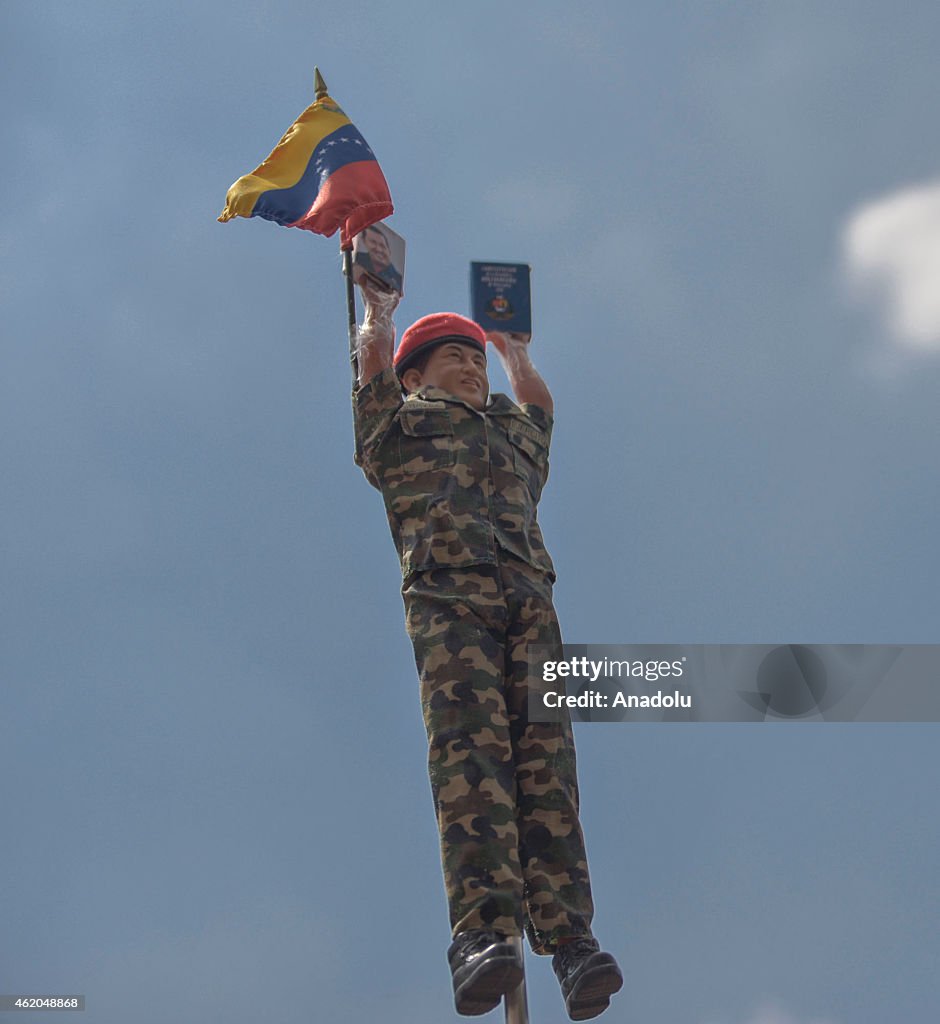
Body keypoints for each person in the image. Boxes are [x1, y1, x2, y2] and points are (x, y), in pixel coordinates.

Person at [351, 281, 622, 1020]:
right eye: (451, 359)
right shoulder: (397, 431)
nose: (469, 369)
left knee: (549, 774)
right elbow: (371, 366)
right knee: (472, 760)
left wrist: (515, 352)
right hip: (453, 608)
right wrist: (380, 309)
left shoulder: (510, 437)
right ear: (415, 378)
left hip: (530, 609)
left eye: (473, 358)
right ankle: (481, 934)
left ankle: (571, 942)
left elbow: (540, 410)